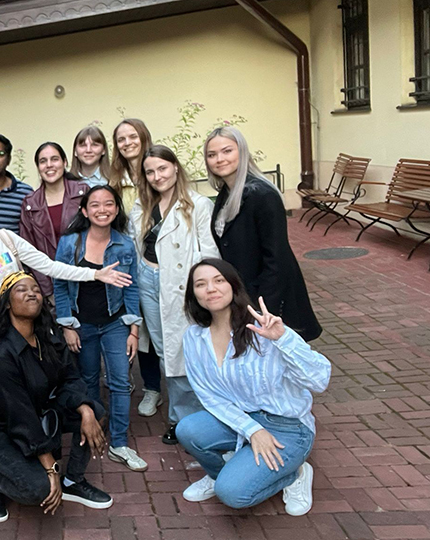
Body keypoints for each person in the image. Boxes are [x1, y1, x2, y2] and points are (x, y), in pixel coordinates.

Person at [0, 196, 131, 513]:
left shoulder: (5, 238)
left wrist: (93, 275)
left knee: (58, 398)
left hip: (30, 328)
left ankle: (71, 479)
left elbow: (47, 266)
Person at [177, 258, 331, 516]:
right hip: (242, 419)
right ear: (194, 295)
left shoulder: (264, 330)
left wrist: (284, 339)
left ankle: (295, 474)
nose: (210, 289)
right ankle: (219, 474)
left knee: (234, 494)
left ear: (233, 286)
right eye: (200, 284)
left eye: (218, 281)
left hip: (288, 427)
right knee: (188, 429)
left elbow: (319, 381)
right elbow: (209, 395)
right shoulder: (194, 338)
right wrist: (252, 430)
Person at [0, 272, 114, 522]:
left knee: (97, 413)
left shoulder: (49, 338)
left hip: (37, 415)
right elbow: (20, 415)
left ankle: (73, 481)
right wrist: (51, 469)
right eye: (21, 290)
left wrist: (85, 410)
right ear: (7, 304)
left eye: (35, 289)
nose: (31, 293)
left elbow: (70, 379)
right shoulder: (0, 355)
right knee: (40, 489)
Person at [129, 145, 220, 444]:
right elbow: (134, 248)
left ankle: (198, 419)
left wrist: (208, 293)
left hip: (181, 286)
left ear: (176, 168)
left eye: (162, 169)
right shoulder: (141, 207)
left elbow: (209, 254)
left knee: (188, 352)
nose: (157, 176)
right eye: (150, 172)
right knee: (166, 350)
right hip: (148, 280)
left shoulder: (198, 204)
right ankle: (180, 420)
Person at [54, 185, 147, 471]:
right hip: (82, 325)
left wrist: (134, 329)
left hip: (115, 323)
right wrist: (67, 324)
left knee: (120, 381)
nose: (102, 209)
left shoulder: (124, 244)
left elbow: (131, 288)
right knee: (90, 379)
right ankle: (94, 429)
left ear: (117, 209)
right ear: (84, 210)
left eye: (109, 204)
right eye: (95, 205)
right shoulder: (70, 243)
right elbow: (59, 282)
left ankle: (119, 442)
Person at [204, 127, 322, 341]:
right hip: (243, 295)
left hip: (267, 300)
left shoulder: (262, 195)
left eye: (227, 151)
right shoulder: (226, 193)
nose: (219, 159)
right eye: (212, 155)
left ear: (242, 152)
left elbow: (276, 257)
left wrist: (264, 309)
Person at [108, 118, 163, 415]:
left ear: (143, 137)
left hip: (160, 260)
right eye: (120, 139)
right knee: (140, 325)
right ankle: (152, 388)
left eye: (132, 137)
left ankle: (187, 386)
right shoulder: (115, 179)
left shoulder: (155, 170)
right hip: (130, 262)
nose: (127, 143)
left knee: (170, 324)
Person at [19, 142, 89, 298]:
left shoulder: (82, 192)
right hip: (50, 285)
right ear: (37, 167)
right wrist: (49, 293)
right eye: (43, 161)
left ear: (64, 162)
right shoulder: (30, 204)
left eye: (54, 159)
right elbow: (28, 252)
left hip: (86, 279)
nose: (49, 165)